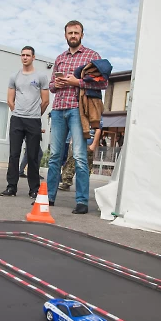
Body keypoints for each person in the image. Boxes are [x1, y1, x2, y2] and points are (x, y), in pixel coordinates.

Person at [46, 20, 108, 214]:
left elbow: (103, 83)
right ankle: (48, 197)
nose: (73, 36)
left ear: (82, 35)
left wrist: (77, 82)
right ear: (65, 35)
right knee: (54, 156)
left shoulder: (92, 56)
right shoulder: (59, 58)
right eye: (70, 33)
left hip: (78, 110)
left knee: (80, 156)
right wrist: (57, 84)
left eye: (76, 33)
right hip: (58, 109)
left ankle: (82, 202)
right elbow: (51, 86)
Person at [0, 46, 49, 199]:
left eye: (28, 55)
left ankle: (34, 189)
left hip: (33, 120)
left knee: (33, 156)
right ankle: (11, 187)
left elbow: (45, 101)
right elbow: (10, 100)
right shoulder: (14, 76)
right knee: (14, 154)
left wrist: (35, 114)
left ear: (33, 57)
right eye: (23, 55)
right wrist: (18, 112)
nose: (25, 57)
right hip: (17, 119)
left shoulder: (41, 76)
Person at [59, 119, 102, 191]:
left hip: (88, 143)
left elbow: (98, 130)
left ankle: (82, 185)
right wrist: (72, 141)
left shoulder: (96, 115)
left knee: (86, 165)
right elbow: (75, 127)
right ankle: (66, 182)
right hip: (77, 141)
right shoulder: (78, 114)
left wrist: (93, 145)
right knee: (70, 162)